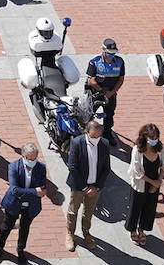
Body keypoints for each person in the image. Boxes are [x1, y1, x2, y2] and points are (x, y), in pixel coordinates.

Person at [65, 120, 110, 251]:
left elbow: (106, 168)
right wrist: (85, 187)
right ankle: (70, 233)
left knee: (88, 212)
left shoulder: (104, 144)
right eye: (93, 136)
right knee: (73, 211)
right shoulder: (77, 143)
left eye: (98, 136)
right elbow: (72, 167)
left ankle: (86, 232)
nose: (96, 139)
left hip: (95, 187)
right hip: (79, 186)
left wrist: (96, 187)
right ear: (87, 132)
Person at [127, 125, 164, 246]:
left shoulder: (160, 149)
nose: (154, 140)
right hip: (140, 184)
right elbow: (137, 171)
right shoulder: (137, 150)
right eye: (151, 137)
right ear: (144, 137)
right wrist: (153, 182)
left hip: (154, 184)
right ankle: (132, 229)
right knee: (135, 207)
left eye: (156, 137)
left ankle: (142, 229)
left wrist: (158, 182)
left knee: (149, 208)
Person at [84, 39, 124, 146]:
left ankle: (107, 133)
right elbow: (90, 80)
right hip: (96, 92)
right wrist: (102, 91)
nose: (111, 56)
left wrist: (112, 92)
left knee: (109, 114)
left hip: (111, 93)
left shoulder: (120, 62)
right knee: (89, 113)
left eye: (113, 53)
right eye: (109, 53)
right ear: (103, 50)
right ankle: (87, 133)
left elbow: (120, 79)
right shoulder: (94, 61)